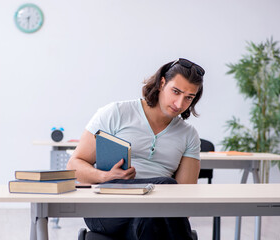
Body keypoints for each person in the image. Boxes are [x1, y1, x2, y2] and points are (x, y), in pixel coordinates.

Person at [67, 58, 205, 240]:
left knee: (151, 214)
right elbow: (73, 167)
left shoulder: (188, 134)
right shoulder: (116, 113)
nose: (180, 104)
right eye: (176, 92)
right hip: (106, 206)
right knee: (167, 187)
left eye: (189, 97)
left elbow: (183, 202)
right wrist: (105, 176)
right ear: (162, 83)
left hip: (154, 212)